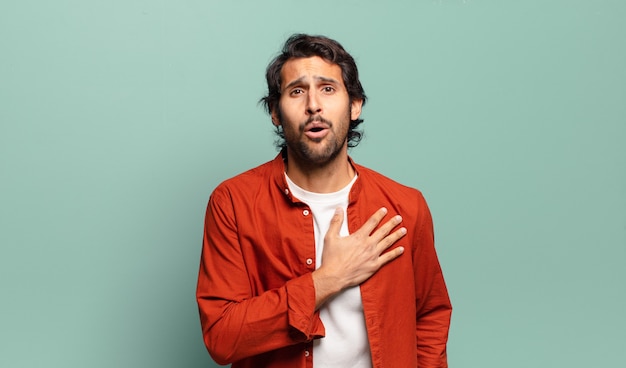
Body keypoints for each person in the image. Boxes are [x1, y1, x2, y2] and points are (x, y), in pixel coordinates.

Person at [196, 34, 452, 368]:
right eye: (297, 91)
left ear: (354, 105)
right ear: (275, 111)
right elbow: (221, 336)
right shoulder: (233, 202)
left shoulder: (405, 206)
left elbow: (430, 315)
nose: (313, 105)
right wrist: (327, 280)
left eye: (328, 89)